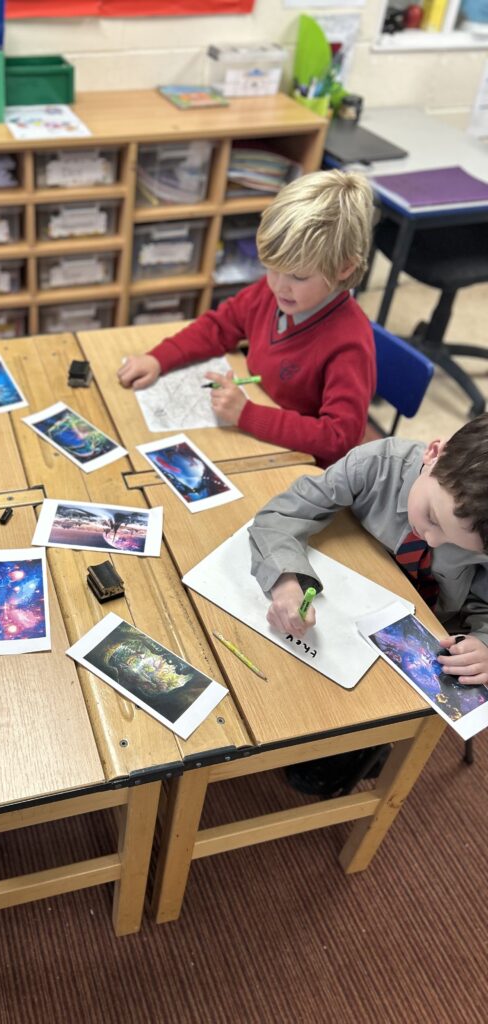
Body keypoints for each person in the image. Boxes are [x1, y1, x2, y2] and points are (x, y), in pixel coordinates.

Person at [247, 415, 488, 795]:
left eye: (459, 544)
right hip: (338, 609)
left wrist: (485, 644)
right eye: (431, 518)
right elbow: (281, 515)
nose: (433, 539)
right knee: (273, 685)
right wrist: (286, 582)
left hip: (416, 641)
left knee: (321, 775)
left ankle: (351, 757)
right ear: (433, 454)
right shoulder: (375, 466)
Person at [117, 170, 375, 467]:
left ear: (344, 268)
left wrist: (247, 414)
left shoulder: (349, 342)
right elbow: (219, 325)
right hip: (259, 433)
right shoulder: (274, 294)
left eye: (299, 276)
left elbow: (338, 439)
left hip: (304, 469)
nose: (279, 285)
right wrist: (158, 359)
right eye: (272, 268)